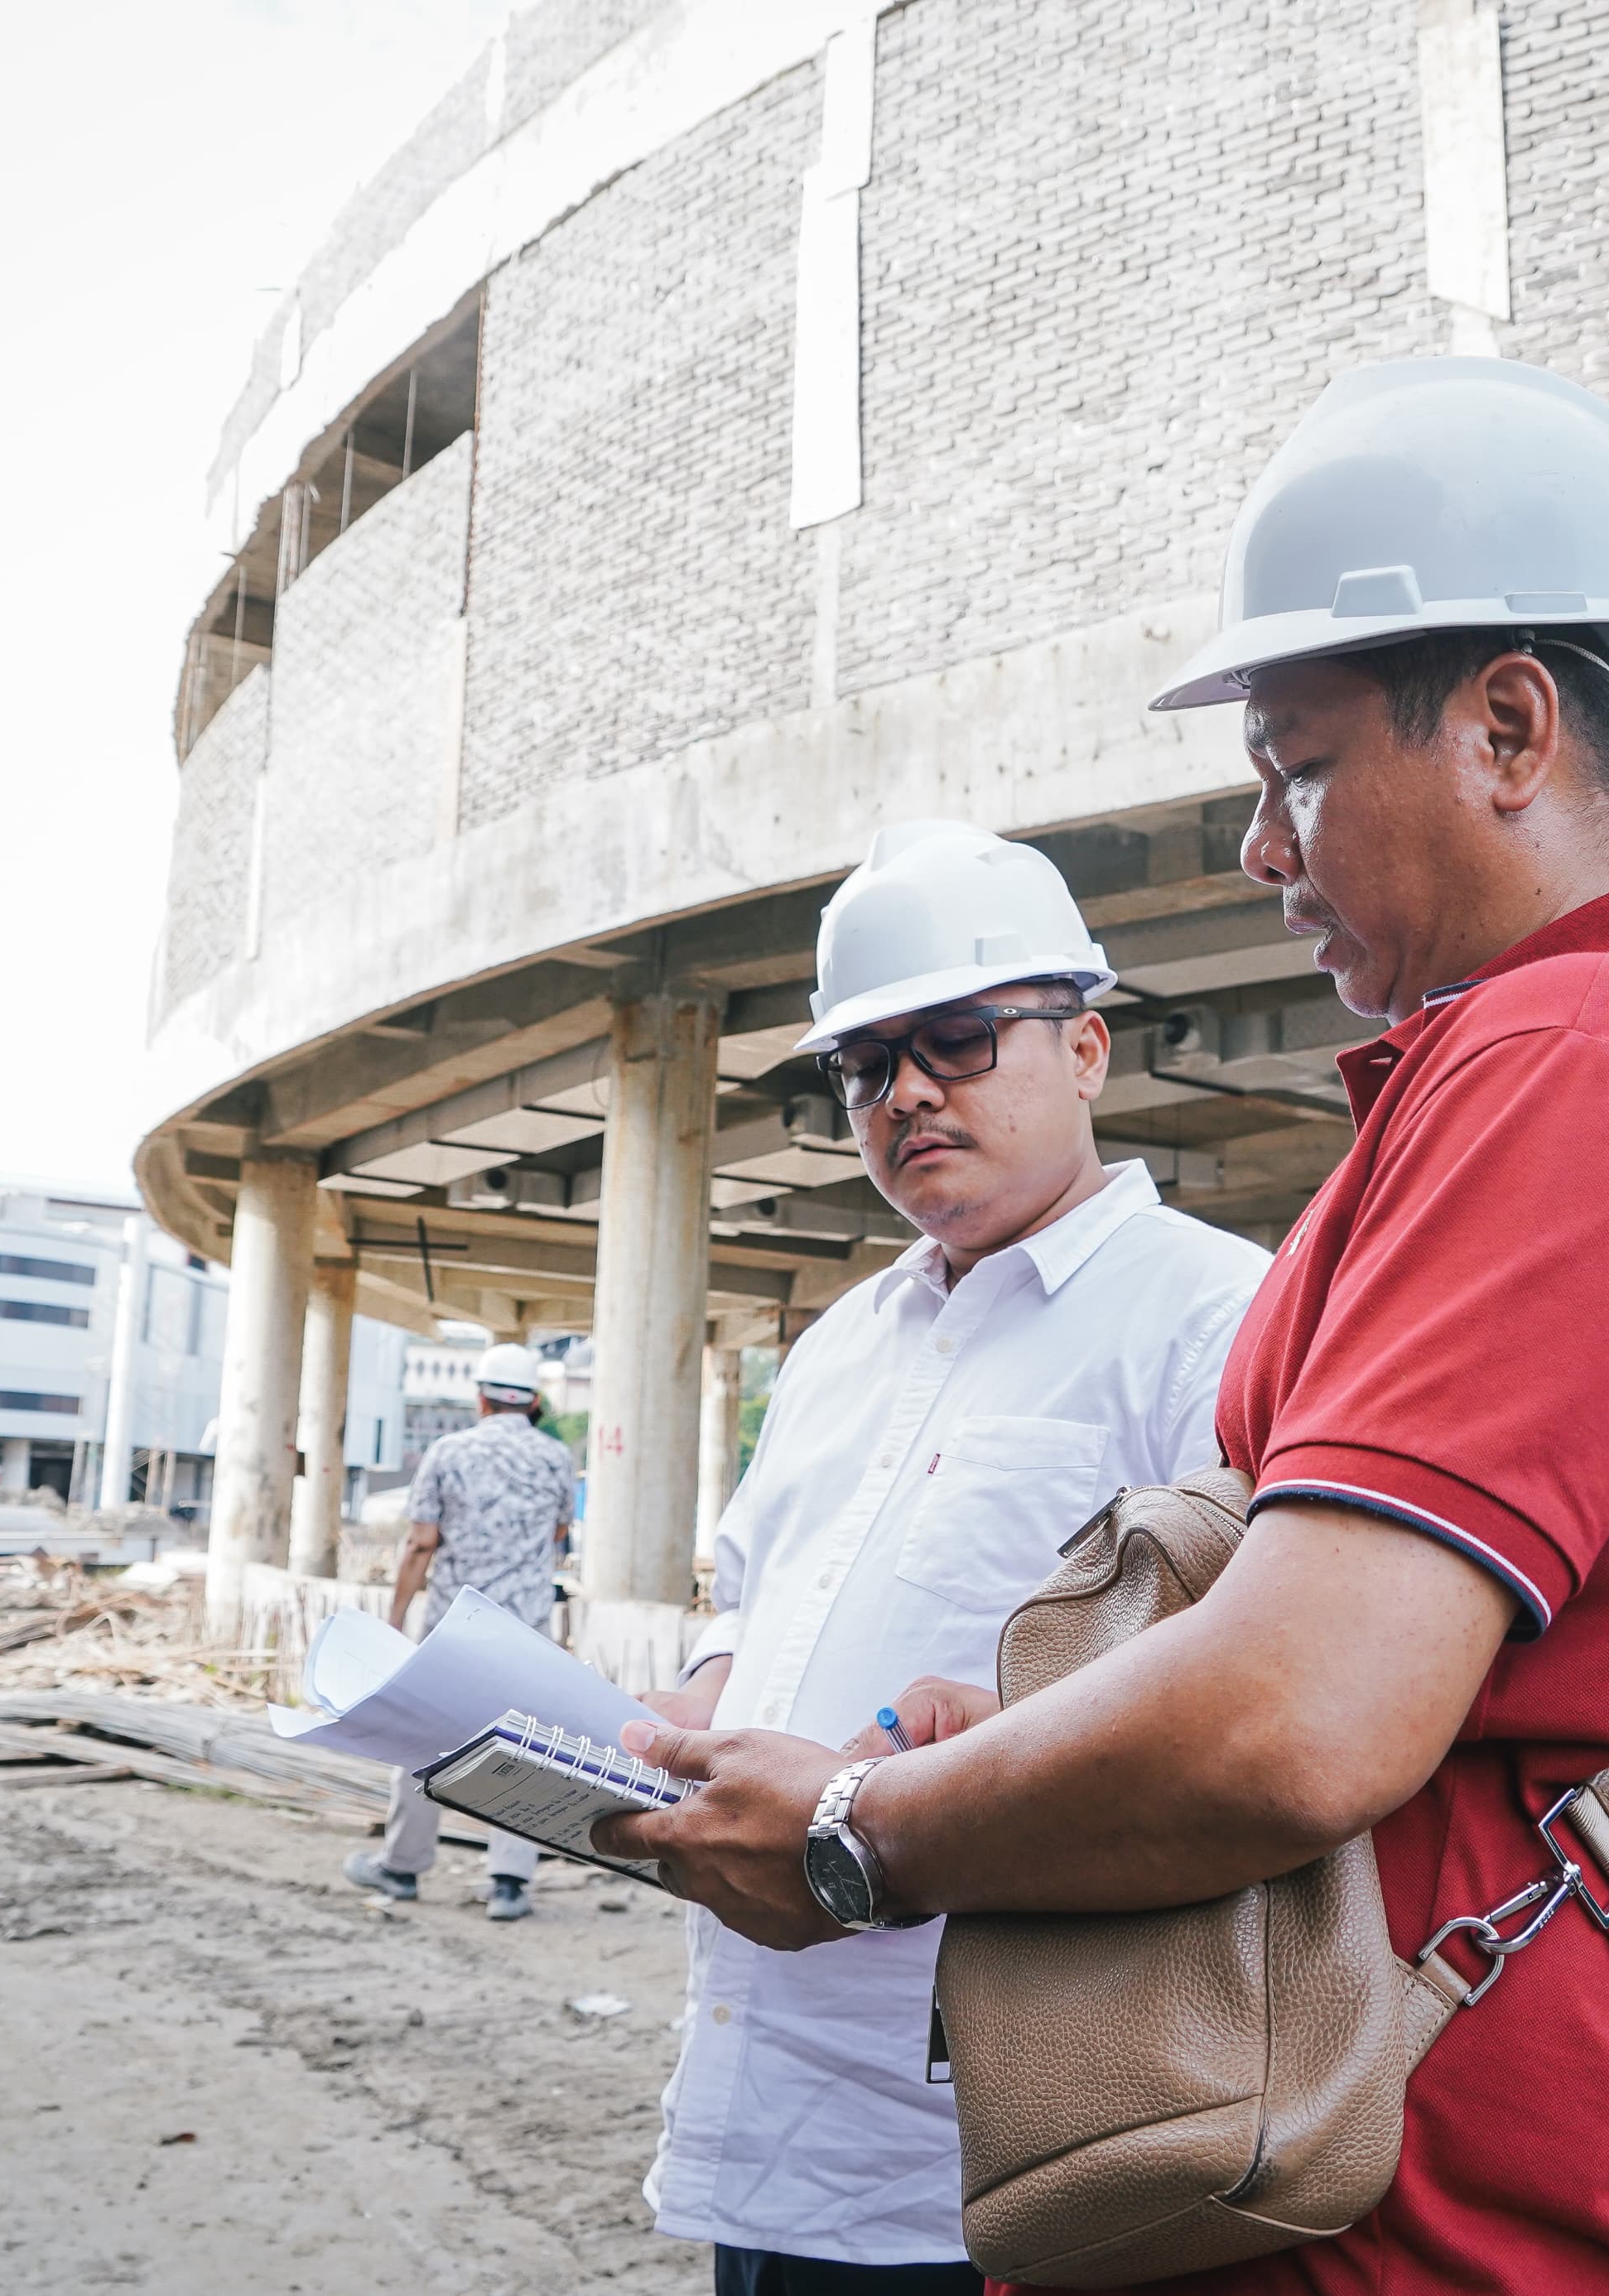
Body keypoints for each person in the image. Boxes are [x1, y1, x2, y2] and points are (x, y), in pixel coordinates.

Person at [600, 358, 1609, 2292]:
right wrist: (1024, 1725)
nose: (1263, 846)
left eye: (1296, 763)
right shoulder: (1525, 1071)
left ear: (1508, 726)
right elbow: (1352, 1664)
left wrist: (864, 1829)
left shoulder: (1590, 1064)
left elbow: (1298, 1711)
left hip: (1428, 2233)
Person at [638, 821, 1270, 2296]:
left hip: (1007, 2148)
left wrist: (922, 1767)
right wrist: (682, 1739)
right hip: (770, 2111)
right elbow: (751, 1611)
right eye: (866, 1064)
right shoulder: (843, 1342)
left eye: (960, 1038)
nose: (909, 1089)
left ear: (1090, 1051)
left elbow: (1240, 1698)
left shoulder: (1219, 1319)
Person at [343, 1341, 575, 1920]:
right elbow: (557, 1535)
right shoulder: (555, 1458)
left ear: (481, 1398)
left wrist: (395, 1619)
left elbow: (421, 1541)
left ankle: (401, 1867)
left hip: (454, 1628)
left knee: (424, 1741)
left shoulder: (448, 1451)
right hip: (525, 1630)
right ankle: (509, 1884)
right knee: (524, 1750)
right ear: (535, 1400)